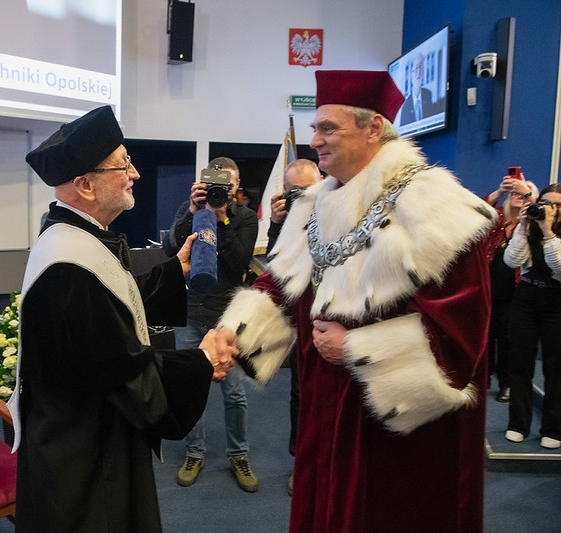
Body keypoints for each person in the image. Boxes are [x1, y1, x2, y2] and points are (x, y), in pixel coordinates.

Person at [217, 70, 496, 532]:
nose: (315, 141)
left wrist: (356, 348)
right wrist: (235, 331)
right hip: (325, 410)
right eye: (314, 128)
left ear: (374, 128)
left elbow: (462, 329)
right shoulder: (313, 204)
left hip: (395, 436)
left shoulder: (437, 207)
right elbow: (282, 283)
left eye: (328, 128)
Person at [9, 105, 238, 532]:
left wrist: (176, 270)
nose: (135, 173)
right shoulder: (69, 267)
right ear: (85, 185)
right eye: (123, 164)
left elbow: (114, 302)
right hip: (85, 456)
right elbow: (123, 371)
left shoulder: (72, 235)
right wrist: (202, 360)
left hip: (86, 432)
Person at [162, 157, 259, 492]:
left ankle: (239, 455)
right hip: (190, 310)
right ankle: (194, 453)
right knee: (192, 387)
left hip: (227, 317)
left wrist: (221, 220)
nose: (222, 191)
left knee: (234, 392)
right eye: (216, 185)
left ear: (236, 186)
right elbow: (170, 248)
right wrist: (193, 211)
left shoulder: (245, 218)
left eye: (227, 185)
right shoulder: (190, 208)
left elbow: (240, 262)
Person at [266, 157, 322, 495]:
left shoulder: (341, 208)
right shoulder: (287, 219)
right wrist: (277, 224)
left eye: (307, 189)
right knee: (300, 394)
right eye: (294, 191)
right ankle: (300, 461)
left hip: (340, 320)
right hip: (303, 320)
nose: (301, 196)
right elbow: (276, 266)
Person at [503, 183, 561, 450]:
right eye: (547, 203)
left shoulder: (549, 231)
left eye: (558, 205)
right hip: (526, 298)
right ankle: (518, 424)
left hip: (557, 301)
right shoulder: (530, 227)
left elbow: (558, 267)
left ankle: (553, 428)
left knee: (555, 367)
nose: (551, 209)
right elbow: (512, 261)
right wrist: (524, 227)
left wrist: (548, 232)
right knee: (519, 364)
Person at [484, 173, 539, 402]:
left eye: (522, 193)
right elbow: (479, 208)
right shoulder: (497, 219)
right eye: (513, 193)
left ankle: (506, 383)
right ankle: (484, 378)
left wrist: (528, 198)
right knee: (486, 338)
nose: (517, 195)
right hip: (489, 290)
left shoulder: (533, 224)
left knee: (508, 339)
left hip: (515, 293)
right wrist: (500, 191)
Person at [400, 52, 442, 124]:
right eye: (416, 68)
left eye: (421, 67)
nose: (419, 72)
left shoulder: (428, 94)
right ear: (411, 73)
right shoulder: (405, 106)